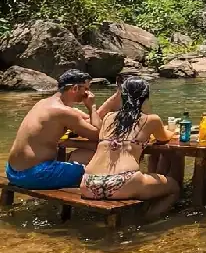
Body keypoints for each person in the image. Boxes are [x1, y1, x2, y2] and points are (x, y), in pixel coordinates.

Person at [80, 77, 180, 221]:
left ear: (123, 96)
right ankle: (145, 220)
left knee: (148, 176)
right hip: (123, 182)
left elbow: (96, 123)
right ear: (145, 97)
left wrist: (93, 107)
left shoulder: (108, 117)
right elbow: (163, 138)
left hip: (89, 183)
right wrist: (172, 130)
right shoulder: (150, 119)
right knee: (174, 187)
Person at [6, 69, 100, 190]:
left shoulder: (44, 103)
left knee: (79, 157)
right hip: (35, 174)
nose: (88, 93)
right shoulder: (64, 112)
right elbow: (98, 135)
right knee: (95, 170)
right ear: (75, 88)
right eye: (86, 89)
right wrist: (92, 106)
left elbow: (84, 119)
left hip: (12, 172)